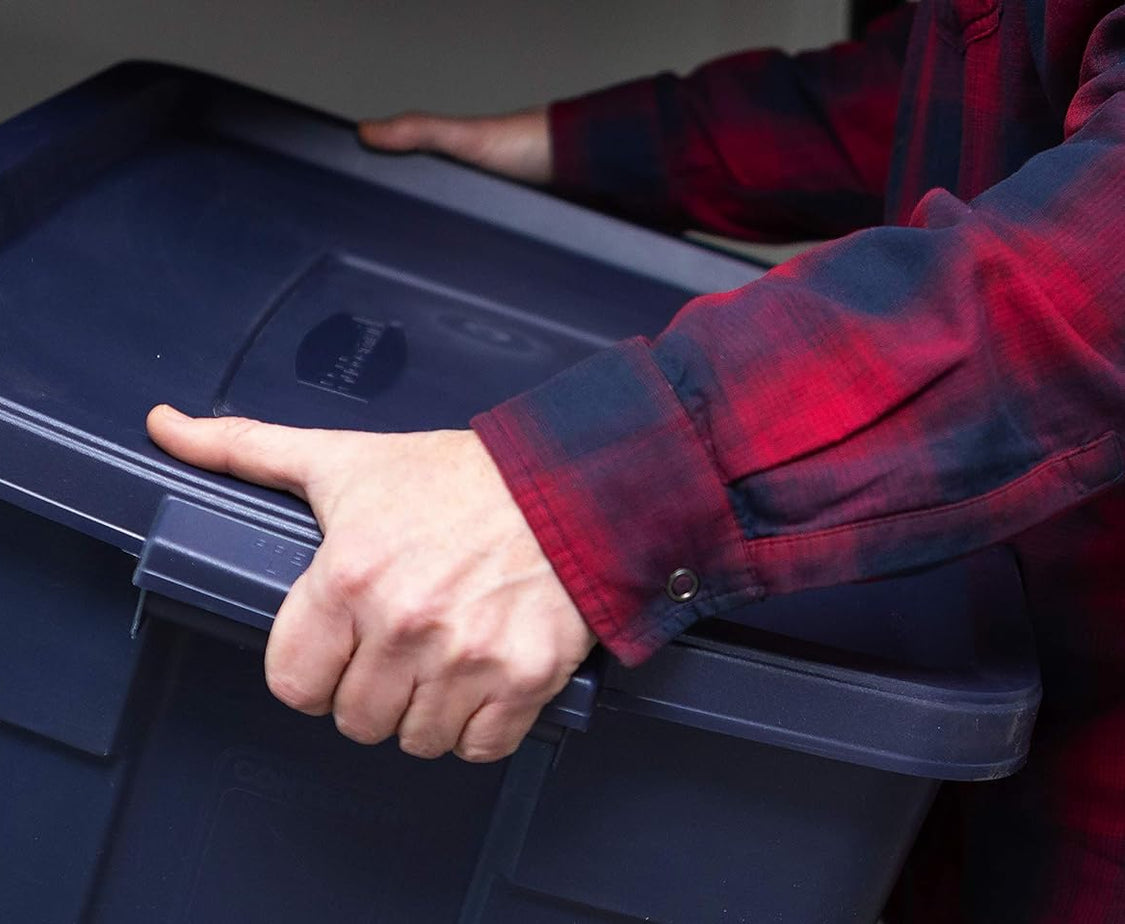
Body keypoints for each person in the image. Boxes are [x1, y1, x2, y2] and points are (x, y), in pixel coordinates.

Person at [147, 2, 1125, 920]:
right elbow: (979, 73)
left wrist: (575, 498)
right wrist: (596, 149)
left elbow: (1089, 275)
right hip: (976, 649)